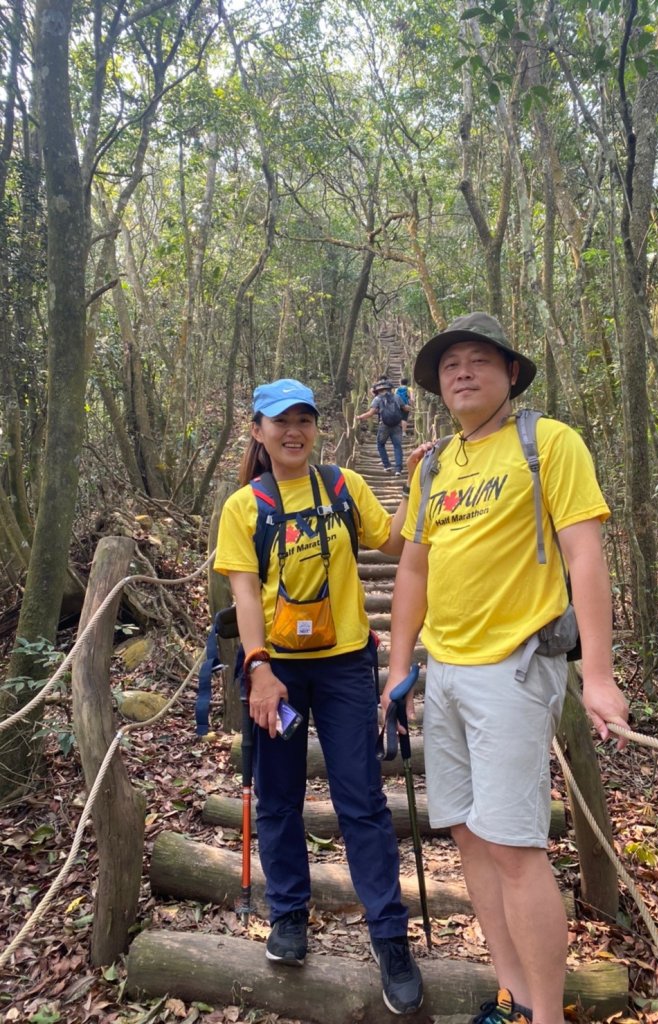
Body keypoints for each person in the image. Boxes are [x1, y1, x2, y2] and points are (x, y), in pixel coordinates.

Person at [383, 314, 630, 1024]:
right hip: (447, 671)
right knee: (466, 834)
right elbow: (413, 567)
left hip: (514, 668)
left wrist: (600, 676)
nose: (461, 371)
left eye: (478, 361)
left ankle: (546, 1016)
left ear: (510, 374)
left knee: (515, 847)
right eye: (449, 364)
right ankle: (511, 999)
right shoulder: (435, 465)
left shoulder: (547, 443)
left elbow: (584, 554)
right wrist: (400, 667)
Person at [214, 378, 427, 1015]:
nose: (293, 431)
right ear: (258, 430)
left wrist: (417, 488)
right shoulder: (243, 507)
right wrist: (256, 668)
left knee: (360, 800)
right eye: (280, 421)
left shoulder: (342, 486)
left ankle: (390, 938)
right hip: (275, 669)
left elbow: (392, 544)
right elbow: (244, 593)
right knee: (278, 797)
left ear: (316, 426)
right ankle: (288, 917)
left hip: (342, 668)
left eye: (303, 419)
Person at [356, 379, 409, 475]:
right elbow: (405, 408)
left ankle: (387, 465)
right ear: (389, 389)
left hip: (384, 425)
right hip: (397, 425)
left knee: (380, 445)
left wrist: (359, 417)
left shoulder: (378, 399)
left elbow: (370, 413)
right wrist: (410, 407)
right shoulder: (397, 397)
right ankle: (398, 469)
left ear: (378, 390)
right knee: (397, 446)